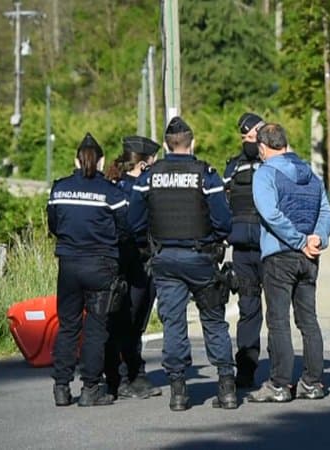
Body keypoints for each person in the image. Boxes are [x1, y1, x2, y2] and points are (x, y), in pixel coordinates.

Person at [128, 117, 237, 411]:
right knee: (213, 320)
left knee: (173, 323)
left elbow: (134, 221)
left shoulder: (149, 177)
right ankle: (227, 388)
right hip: (201, 257)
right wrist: (215, 240)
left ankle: (178, 392)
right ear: (193, 143)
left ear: (165, 145)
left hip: (164, 260)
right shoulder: (206, 174)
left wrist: (148, 244)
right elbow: (223, 221)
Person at [247, 123, 330, 403]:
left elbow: (270, 214)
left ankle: (280, 384)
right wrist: (316, 239)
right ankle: (312, 382)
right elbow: (326, 212)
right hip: (309, 258)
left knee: (279, 321)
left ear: (262, 148)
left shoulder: (265, 173)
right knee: (308, 320)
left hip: (279, 256)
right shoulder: (311, 174)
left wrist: (297, 241)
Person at [47, 132, 128, 407]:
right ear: (102, 161)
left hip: (68, 265)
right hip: (101, 266)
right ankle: (91, 388)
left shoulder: (59, 189)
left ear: (76, 159)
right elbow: (124, 228)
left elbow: (54, 226)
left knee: (68, 326)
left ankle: (61, 386)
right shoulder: (111, 193)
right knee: (95, 328)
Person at [103, 135, 162, 399]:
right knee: (128, 319)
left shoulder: (115, 184)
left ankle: (132, 372)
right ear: (145, 163)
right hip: (135, 259)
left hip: (134, 259)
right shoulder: (132, 188)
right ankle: (124, 376)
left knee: (132, 320)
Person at [223, 112, 265, 388]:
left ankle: (280, 371)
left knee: (277, 311)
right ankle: (246, 369)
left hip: (270, 246)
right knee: (248, 308)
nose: (252, 141)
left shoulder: (274, 163)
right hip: (242, 249)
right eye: (248, 137)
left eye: (257, 136)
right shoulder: (232, 168)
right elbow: (221, 203)